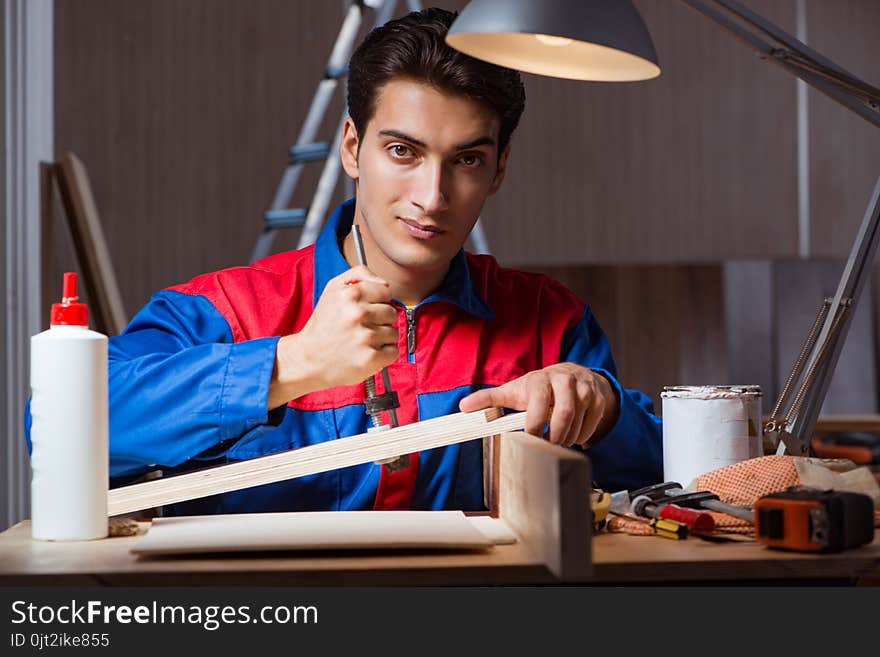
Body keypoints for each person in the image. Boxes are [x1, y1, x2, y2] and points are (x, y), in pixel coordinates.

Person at [27, 8, 662, 515]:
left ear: (498, 170)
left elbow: (671, 478)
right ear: (353, 149)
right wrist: (292, 363)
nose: (432, 197)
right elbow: (57, 427)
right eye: (403, 151)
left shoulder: (549, 320)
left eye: (466, 159)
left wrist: (602, 410)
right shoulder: (226, 310)